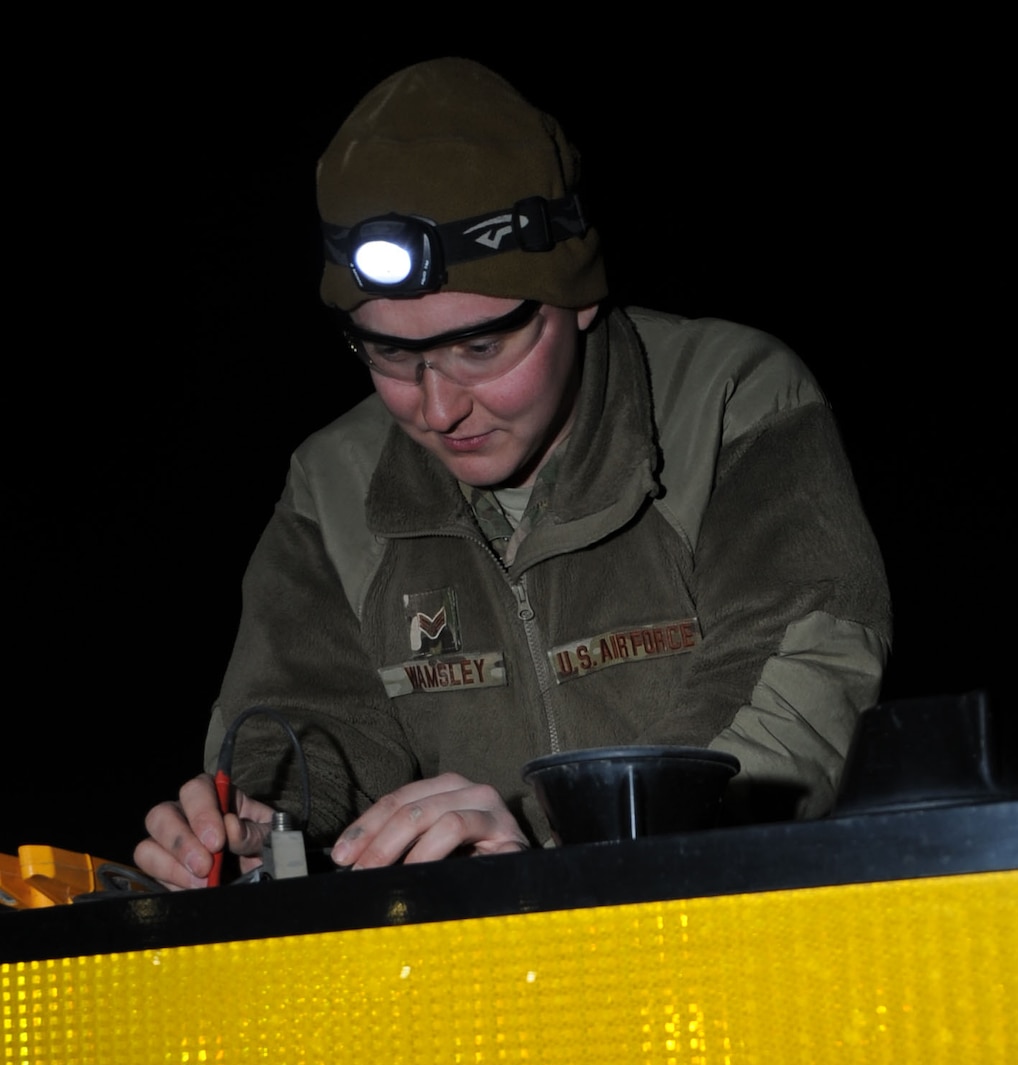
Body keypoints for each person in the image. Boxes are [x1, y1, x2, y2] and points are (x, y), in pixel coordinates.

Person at [136, 59, 892, 888]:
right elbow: (310, 727)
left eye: (480, 348)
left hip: (724, 928)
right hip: (471, 976)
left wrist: (556, 854)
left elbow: (801, 682)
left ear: (577, 297)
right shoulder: (331, 486)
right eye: (392, 353)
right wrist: (256, 827)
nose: (438, 408)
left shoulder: (730, 400)